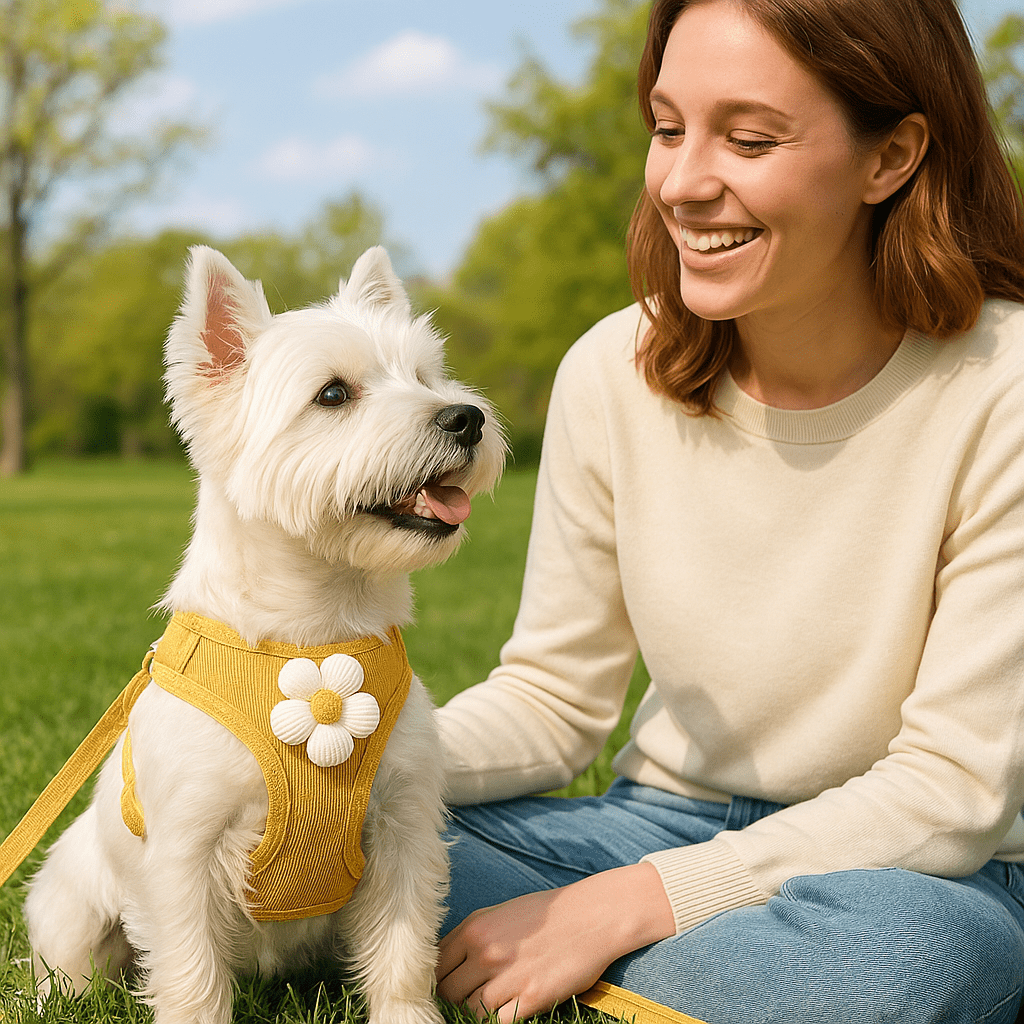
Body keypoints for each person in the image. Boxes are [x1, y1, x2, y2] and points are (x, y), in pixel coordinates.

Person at [432, 0, 1024, 1021]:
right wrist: (360, 767)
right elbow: (551, 699)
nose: (682, 181)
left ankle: (549, 959)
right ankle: (636, 974)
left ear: (891, 158)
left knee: (895, 971)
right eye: (667, 129)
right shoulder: (610, 371)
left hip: (925, 872)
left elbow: (949, 792)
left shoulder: (1001, 387)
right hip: (657, 821)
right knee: (335, 843)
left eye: (748, 140)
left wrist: (628, 907)